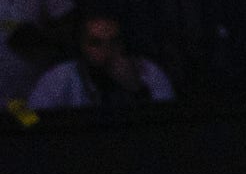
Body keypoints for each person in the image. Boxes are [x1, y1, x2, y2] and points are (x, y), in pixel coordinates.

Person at [27, 12, 174, 110]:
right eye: (95, 43)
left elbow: (169, 123)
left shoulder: (148, 71)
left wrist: (137, 90)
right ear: (81, 47)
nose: (107, 50)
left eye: (114, 42)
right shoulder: (61, 76)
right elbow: (29, 118)